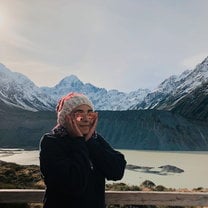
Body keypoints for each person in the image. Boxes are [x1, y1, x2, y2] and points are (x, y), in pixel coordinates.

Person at [39, 92, 126, 208]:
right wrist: (79, 141)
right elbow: (74, 184)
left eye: (90, 115)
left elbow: (117, 171)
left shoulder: (94, 139)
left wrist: (89, 142)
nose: (86, 120)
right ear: (67, 118)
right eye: (79, 115)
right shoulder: (51, 142)